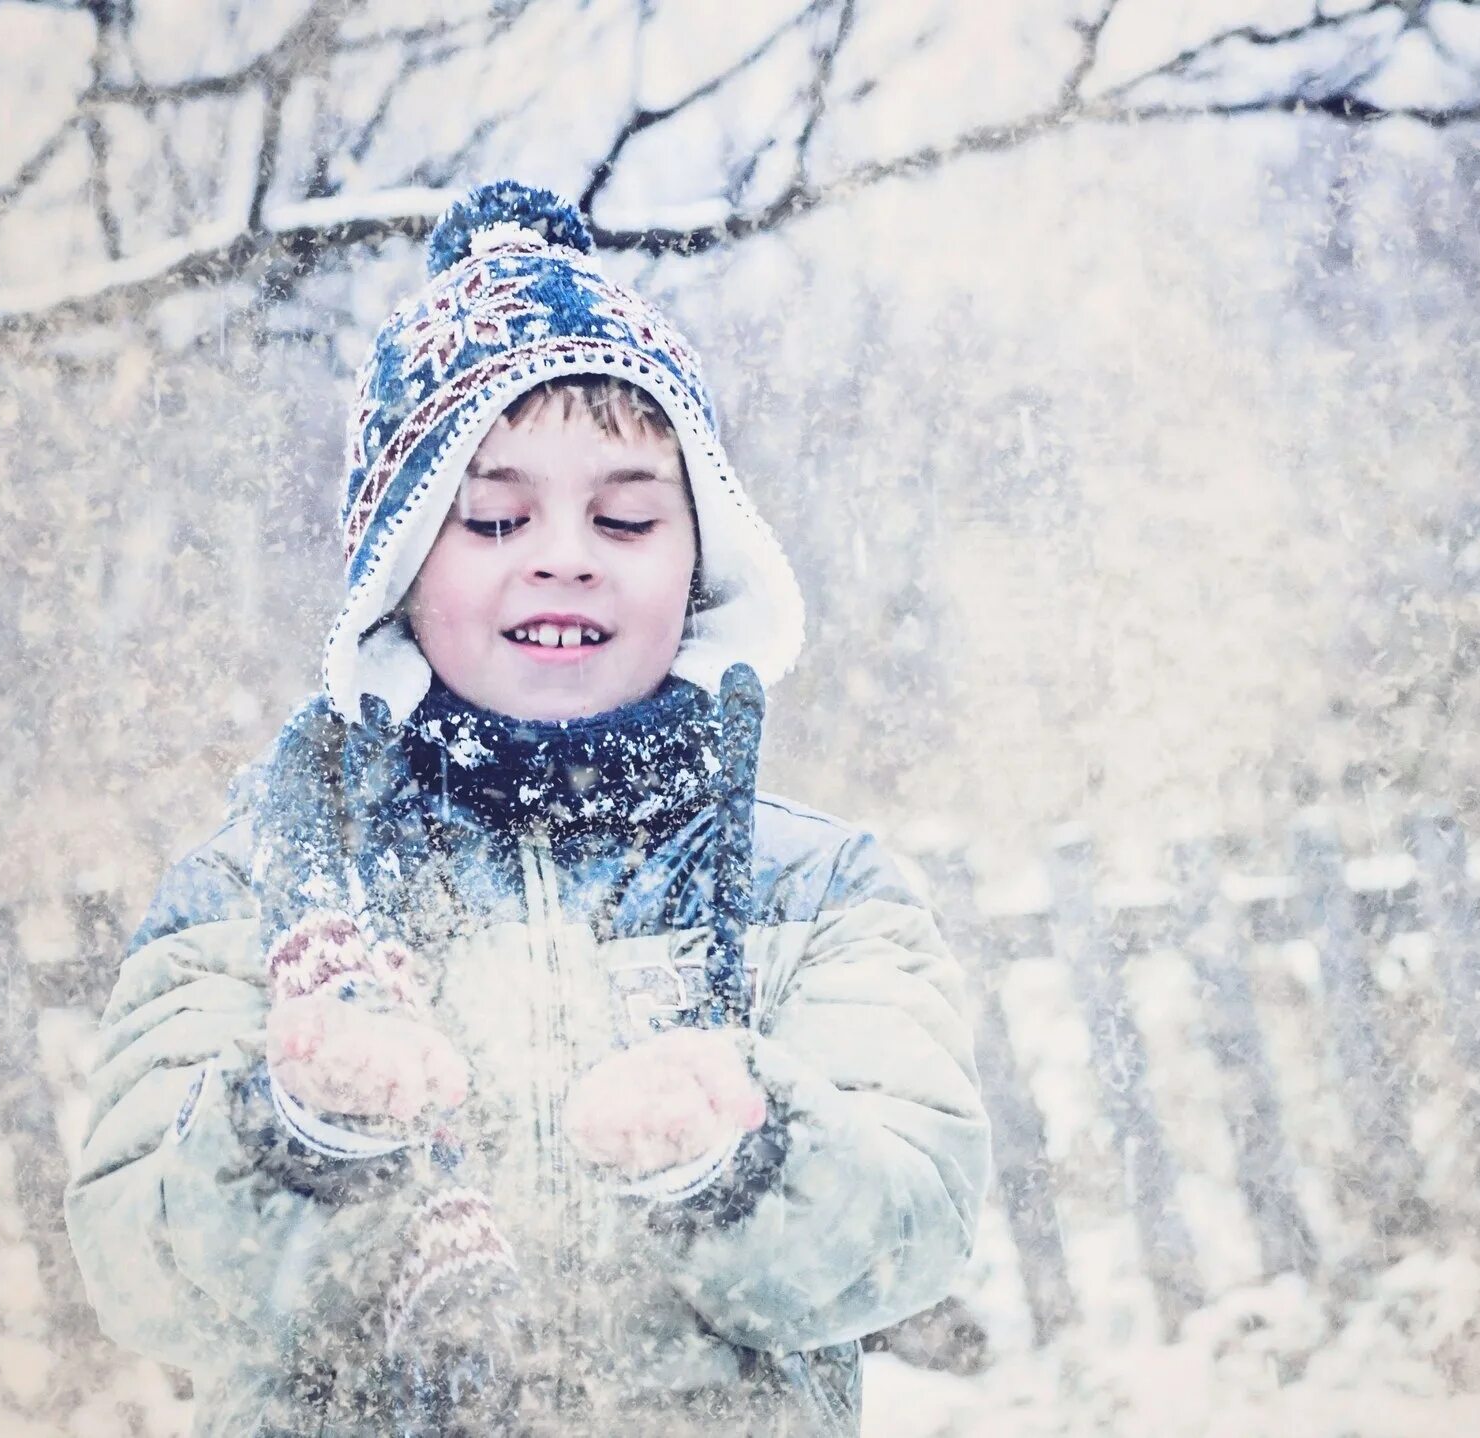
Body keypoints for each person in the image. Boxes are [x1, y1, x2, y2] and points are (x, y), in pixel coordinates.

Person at [64, 180, 991, 1437]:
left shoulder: (816, 892)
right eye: (495, 513)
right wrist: (298, 1135)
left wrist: (740, 1155)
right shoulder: (259, 889)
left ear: (699, 556)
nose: (565, 552)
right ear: (397, 561)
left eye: (624, 513)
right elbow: (145, 1271)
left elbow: (908, 1229)